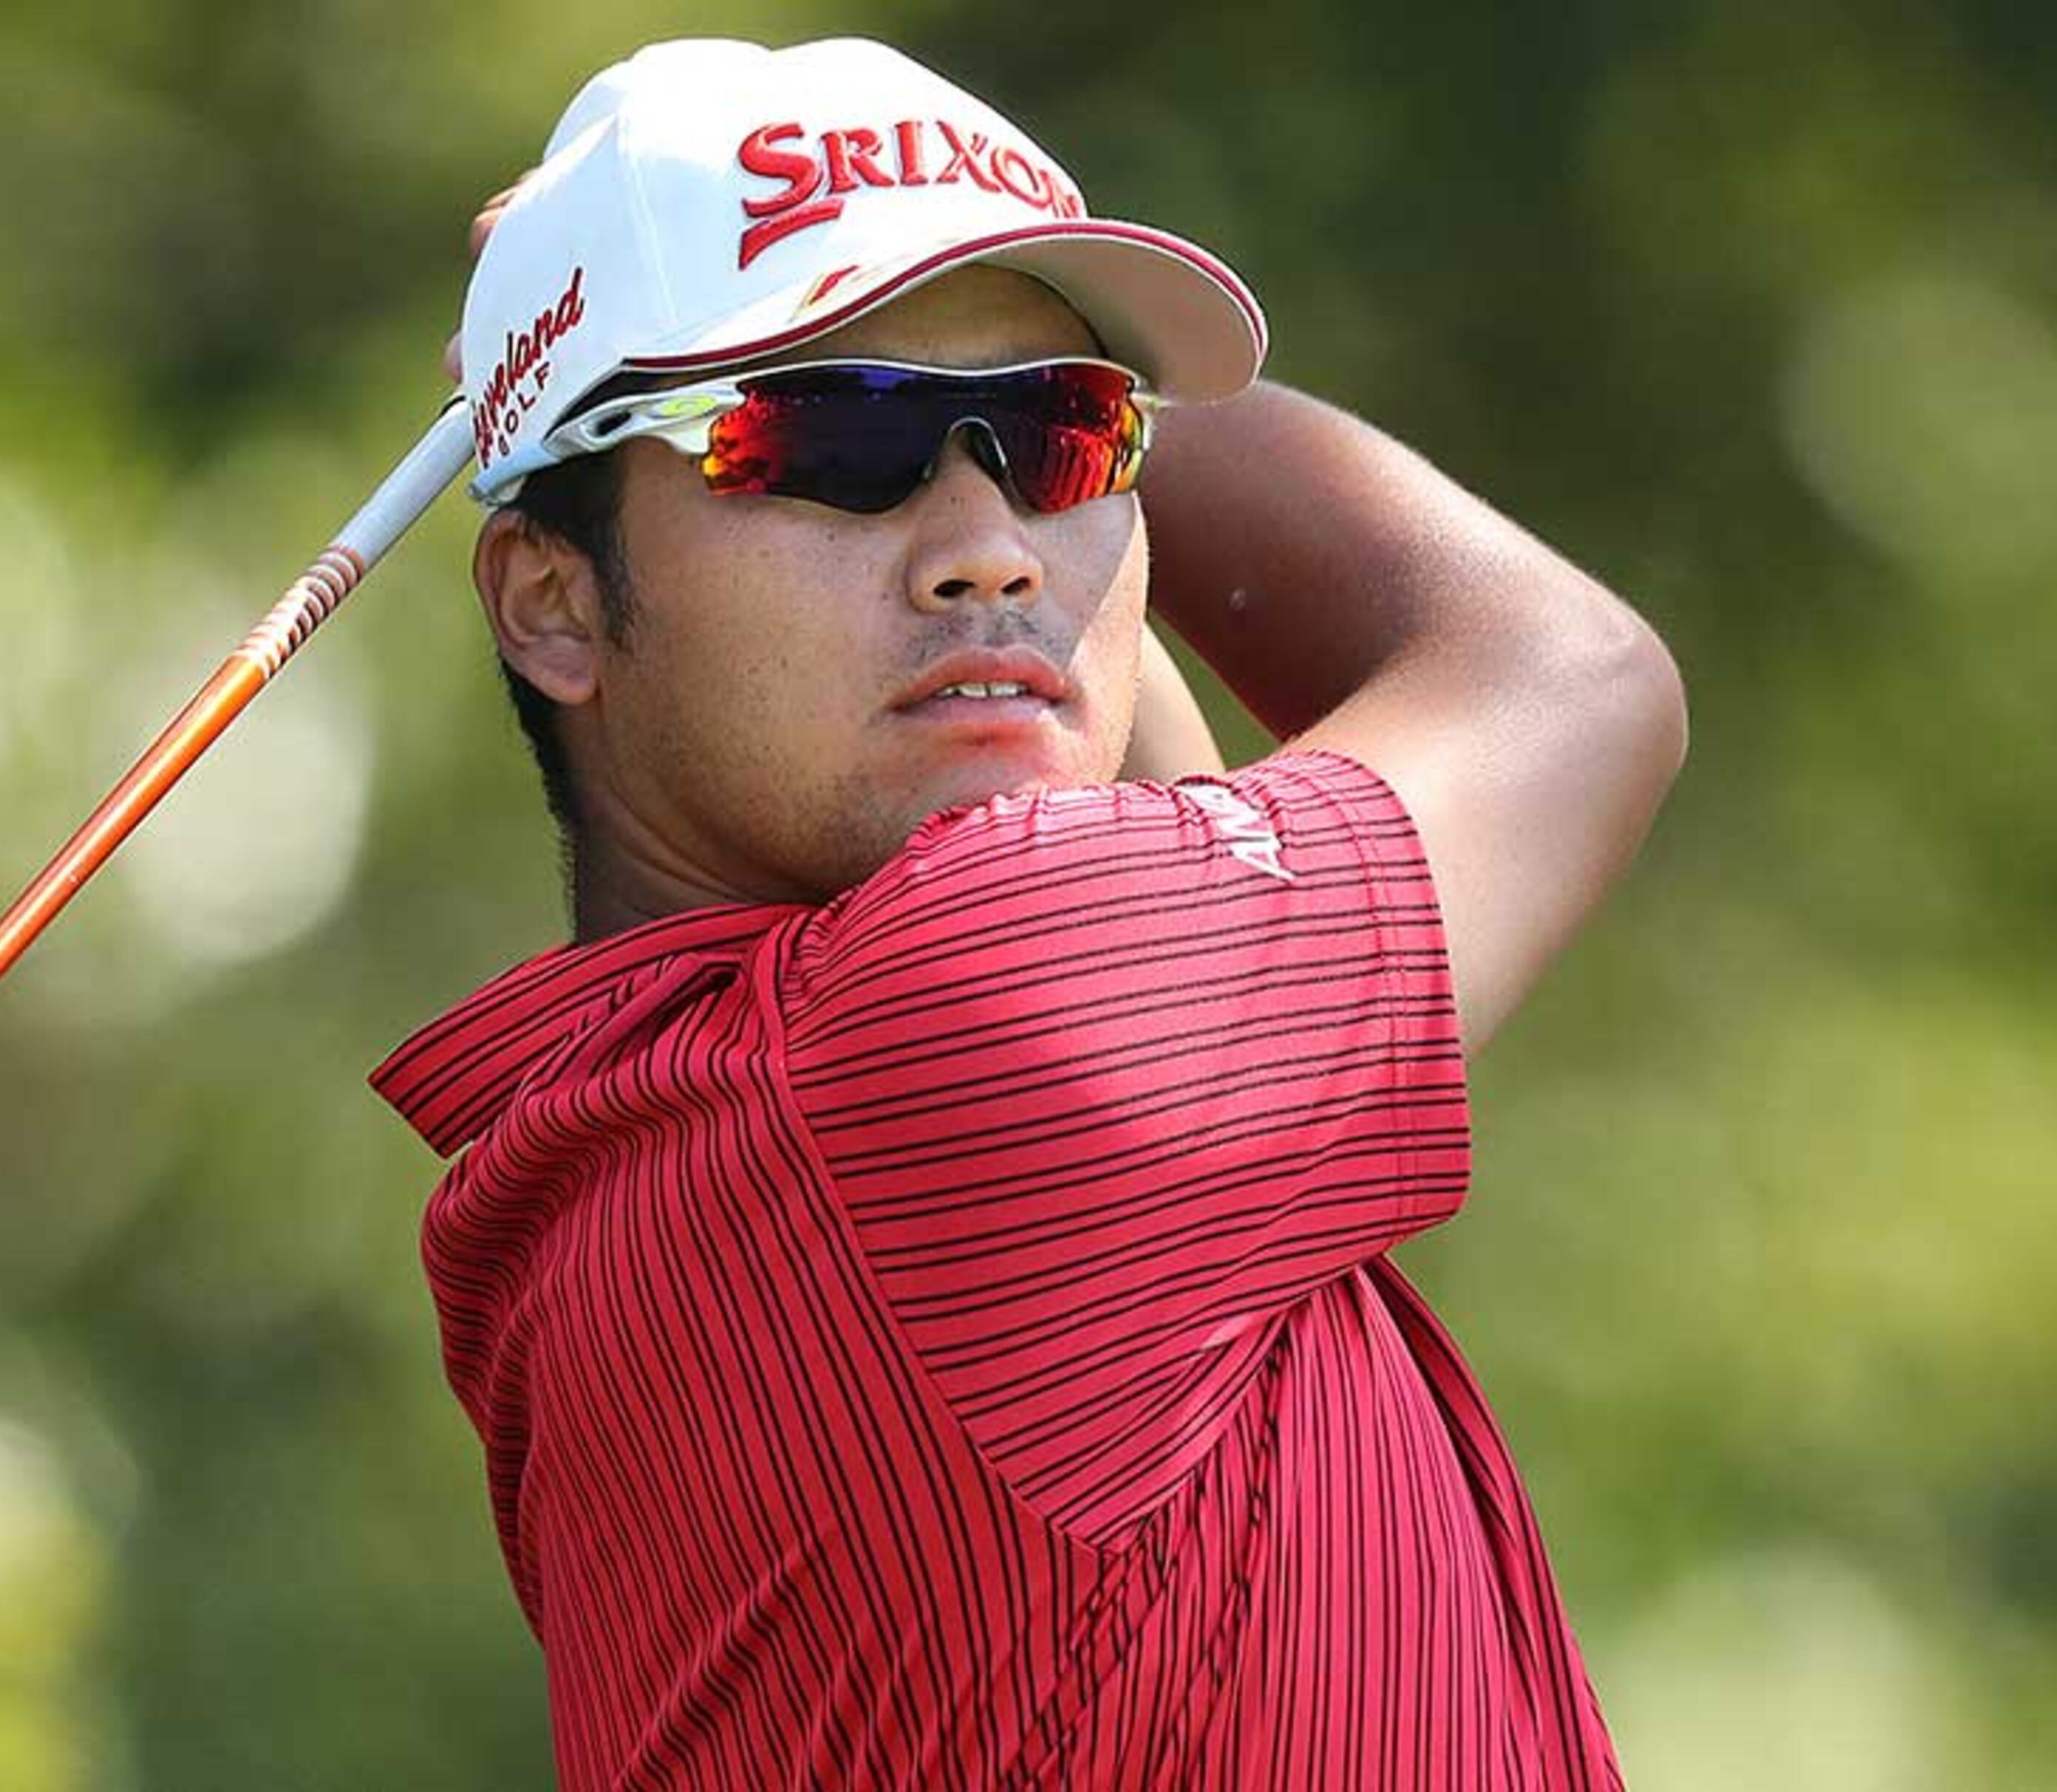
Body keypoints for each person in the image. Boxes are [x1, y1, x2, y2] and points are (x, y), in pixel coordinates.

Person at [371, 37, 1682, 1791]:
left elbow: (1124, 784)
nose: (987, 547)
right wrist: (1094, 397)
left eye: (1065, 438)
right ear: (554, 605)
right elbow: (1569, 675)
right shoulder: (967, 1024)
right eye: (828, 436)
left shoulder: (603, 1164)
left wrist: (598, 327)